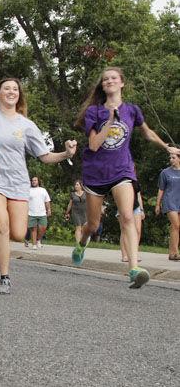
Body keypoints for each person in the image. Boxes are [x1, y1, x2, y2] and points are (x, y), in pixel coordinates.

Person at [72, 66, 180, 289]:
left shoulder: (132, 110)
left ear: (122, 83)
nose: (109, 81)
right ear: (103, 86)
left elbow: (147, 132)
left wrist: (166, 147)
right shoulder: (94, 112)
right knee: (92, 224)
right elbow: (93, 145)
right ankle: (82, 243)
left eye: (113, 78)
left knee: (129, 217)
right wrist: (111, 121)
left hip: (122, 171)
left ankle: (133, 268)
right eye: (105, 79)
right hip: (96, 173)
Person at [0, 77, 77, 295]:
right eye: (6, 88)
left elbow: (44, 157)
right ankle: (5, 277)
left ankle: (3, 247)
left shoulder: (26, 125)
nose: (11, 91)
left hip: (18, 182)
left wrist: (67, 153)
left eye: (15, 89)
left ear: (19, 95)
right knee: (1, 224)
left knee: (17, 233)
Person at [155, 152, 180, 260]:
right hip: (169, 201)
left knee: (176, 228)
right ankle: (176, 252)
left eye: (173, 157)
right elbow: (161, 189)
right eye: (170, 157)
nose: (171, 159)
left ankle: (171, 253)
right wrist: (157, 204)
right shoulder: (165, 172)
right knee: (176, 225)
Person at [117, 183, 144, 262]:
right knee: (124, 231)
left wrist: (142, 210)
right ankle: (125, 255)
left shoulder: (136, 182)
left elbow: (138, 196)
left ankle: (134, 254)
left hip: (136, 207)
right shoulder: (121, 180)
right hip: (123, 207)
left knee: (138, 230)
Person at [28, 176, 51, 249]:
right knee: (33, 229)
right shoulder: (29, 190)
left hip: (42, 213)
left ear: (38, 181)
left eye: (35, 180)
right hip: (31, 213)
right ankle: (34, 244)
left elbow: (47, 201)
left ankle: (38, 240)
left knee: (43, 228)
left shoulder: (43, 190)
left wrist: (49, 210)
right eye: (32, 180)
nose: (33, 181)